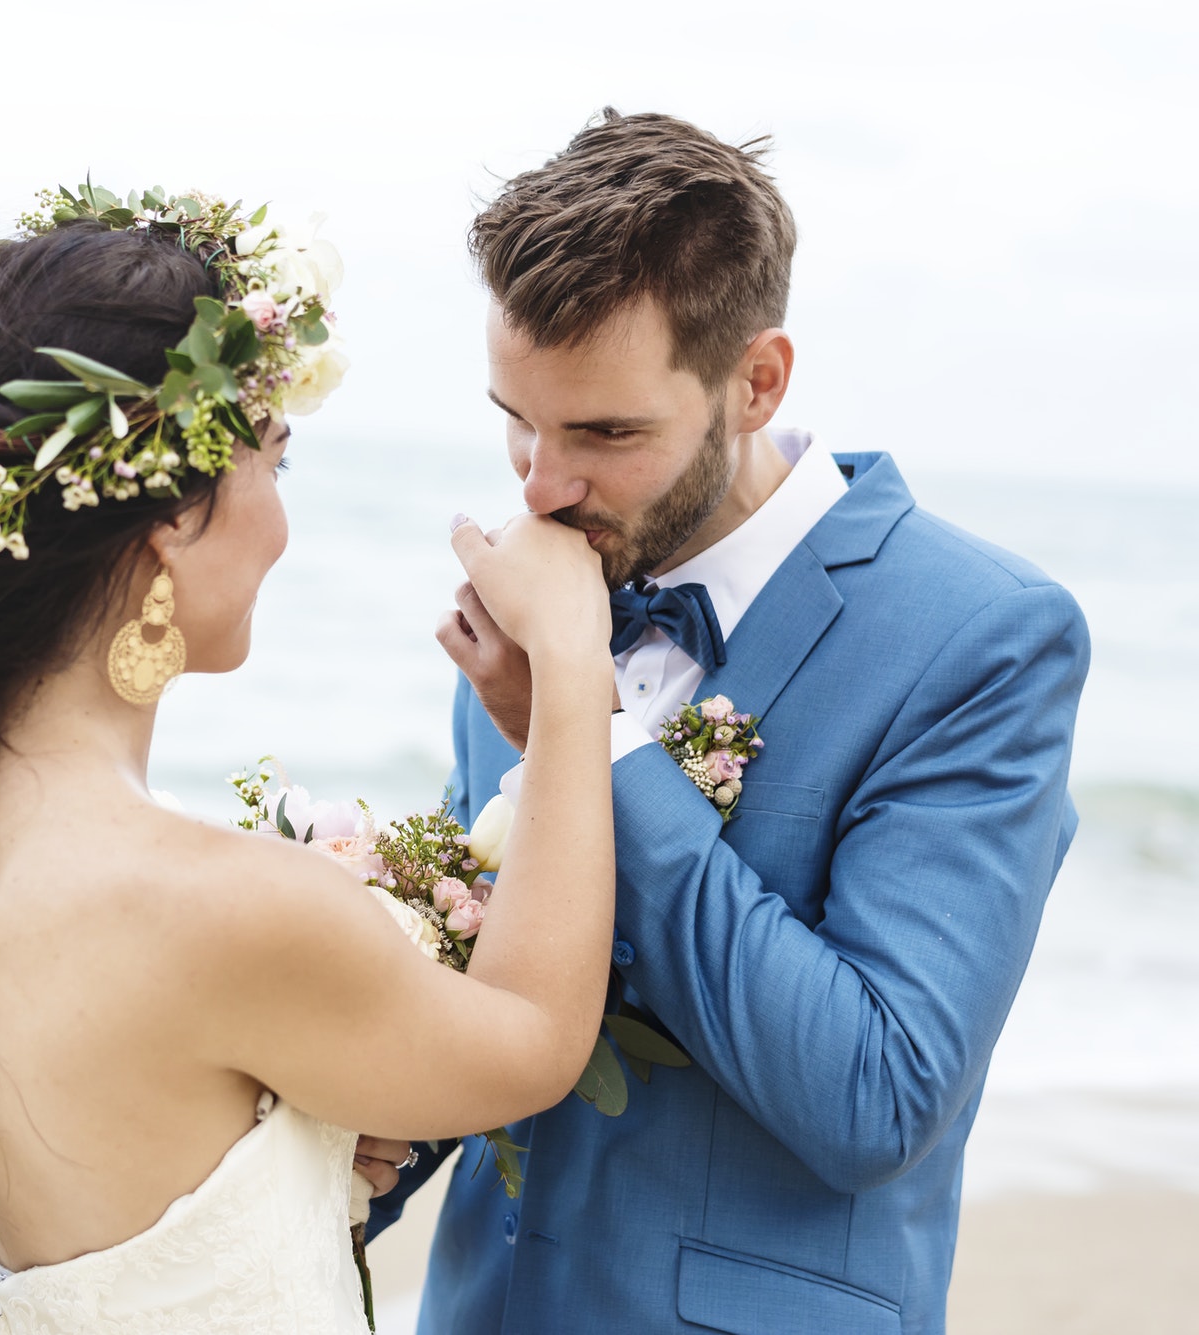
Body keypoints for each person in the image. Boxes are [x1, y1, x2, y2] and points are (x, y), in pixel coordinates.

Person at [0, 189, 619, 1334]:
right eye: (272, 462)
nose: (281, 523)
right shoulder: (225, 907)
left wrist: (300, 1153)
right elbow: (533, 1043)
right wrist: (574, 669)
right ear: (172, 521)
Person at [368, 109, 1091, 1334]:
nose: (539, 486)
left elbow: (872, 1096)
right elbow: (478, 998)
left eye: (603, 432)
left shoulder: (982, 639)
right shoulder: (539, 594)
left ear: (754, 382)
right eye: (516, 419)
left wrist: (583, 739)